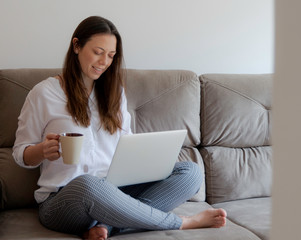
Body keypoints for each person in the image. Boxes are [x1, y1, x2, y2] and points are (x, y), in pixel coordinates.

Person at [12, 16, 227, 240]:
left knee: (190, 173)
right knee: (88, 184)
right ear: (76, 46)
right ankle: (181, 222)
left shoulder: (115, 93)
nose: (104, 61)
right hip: (65, 198)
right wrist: (40, 151)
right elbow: (20, 152)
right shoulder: (44, 93)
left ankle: (107, 226)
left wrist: (145, 163)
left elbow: (127, 146)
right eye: (98, 52)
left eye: (111, 56)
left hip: (116, 191)